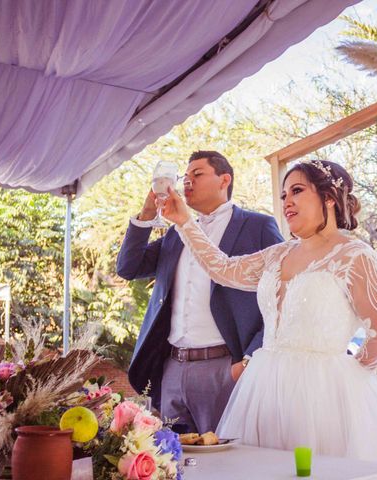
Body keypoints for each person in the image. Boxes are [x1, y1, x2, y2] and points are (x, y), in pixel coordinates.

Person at [160, 159, 377, 478]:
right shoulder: (279, 254)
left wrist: (343, 377)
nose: (287, 201)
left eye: (297, 191)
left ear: (328, 197)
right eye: (284, 195)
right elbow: (222, 269)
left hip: (325, 397)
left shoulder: (355, 256)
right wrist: (184, 221)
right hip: (264, 390)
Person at [116, 150, 283, 434]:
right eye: (185, 177)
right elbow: (128, 268)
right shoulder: (174, 233)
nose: (187, 182)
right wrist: (147, 214)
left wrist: (249, 360)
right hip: (171, 368)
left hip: (225, 367)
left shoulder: (257, 226)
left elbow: (281, 296)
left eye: (197, 174)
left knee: (227, 460)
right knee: (175, 462)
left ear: (224, 180)